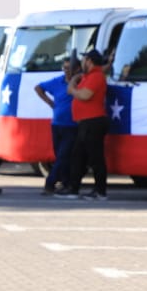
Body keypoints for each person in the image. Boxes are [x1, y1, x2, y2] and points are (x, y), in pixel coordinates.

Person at [64, 48, 109, 199]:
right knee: (78, 156)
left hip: (93, 121)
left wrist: (72, 90)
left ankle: (100, 191)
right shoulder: (88, 76)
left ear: (89, 61)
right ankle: (73, 188)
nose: (81, 62)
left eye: (84, 60)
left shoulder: (96, 76)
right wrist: (75, 79)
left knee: (95, 158)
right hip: (85, 123)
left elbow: (85, 95)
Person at [34, 57, 78, 196]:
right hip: (57, 124)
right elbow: (38, 88)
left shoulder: (79, 82)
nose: (66, 71)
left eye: (69, 68)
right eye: (64, 68)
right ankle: (65, 183)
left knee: (63, 155)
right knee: (60, 155)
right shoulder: (57, 81)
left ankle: (50, 183)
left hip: (72, 125)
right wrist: (50, 103)